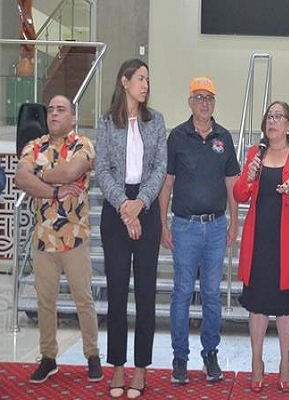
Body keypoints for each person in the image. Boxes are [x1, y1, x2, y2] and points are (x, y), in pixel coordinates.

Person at [15, 94, 102, 384]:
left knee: (83, 300)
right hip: (44, 239)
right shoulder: (33, 146)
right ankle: (48, 358)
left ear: (72, 117)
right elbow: (21, 179)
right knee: (45, 302)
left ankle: (92, 355)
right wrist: (55, 190)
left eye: (60, 109)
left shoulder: (83, 145)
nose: (53, 114)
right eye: (50, 109)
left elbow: (72, 171)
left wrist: (39, 174)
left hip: (74, 237)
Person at [159, 77, 240, 385]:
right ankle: (180, 357)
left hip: (216, 228)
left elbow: (231, 183)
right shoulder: (177, 137)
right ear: (190, 102)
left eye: (209, 98)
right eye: (199, 97)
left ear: (214, 103)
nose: (204, 103)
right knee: (182, 292)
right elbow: (167, 182)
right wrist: (163, 224)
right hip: (185, 227)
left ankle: (210, 354)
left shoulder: (224, 138)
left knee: (211, 294)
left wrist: (235, 222)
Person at [95, 58, 167, 399]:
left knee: (146, 294)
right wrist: (125, 206)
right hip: (115, 210)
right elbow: (102, 170)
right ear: (124, 82)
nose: (145, 85)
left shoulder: (156, 121)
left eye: (147, 80)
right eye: (140, 78)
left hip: (147, 209)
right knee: (117, 293)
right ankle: (118, 367)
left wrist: (140, 204)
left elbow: (160, 168)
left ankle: (140, 368)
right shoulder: (106, 122)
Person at [234, 101, 289, 393]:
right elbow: (239, 194)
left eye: (278, 116)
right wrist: (249, 177)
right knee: (257, 307)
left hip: (287, 243)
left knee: (284, 308)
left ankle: (285, 362)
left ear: (288, 125)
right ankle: (256, 361)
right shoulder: (255, 154)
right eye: (269, 116)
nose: (272, 121)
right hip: (258, 241)